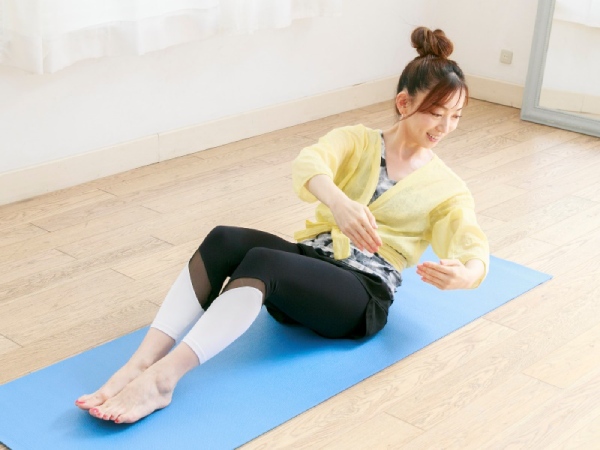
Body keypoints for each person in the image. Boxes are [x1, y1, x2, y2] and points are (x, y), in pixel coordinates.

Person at [75, 26, 489, 424]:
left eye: (455, 116)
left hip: (360, 296)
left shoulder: (447, 187)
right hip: (309, 268)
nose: (445, 127)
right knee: (224, 239)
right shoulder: (359, 140)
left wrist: (467, 275)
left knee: (264, 262)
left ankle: (163, 380)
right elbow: (310, 163)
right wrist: (339, 203)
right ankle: (140, 363)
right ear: (403, 103)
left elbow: (471, 243)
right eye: (436, 113)